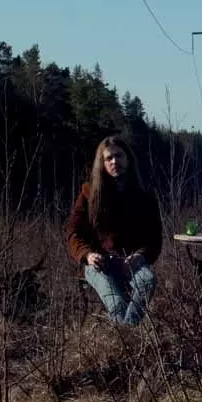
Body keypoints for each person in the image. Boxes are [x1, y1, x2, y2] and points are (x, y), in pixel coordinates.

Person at [66, 135, 162, 325]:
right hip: (99, 263)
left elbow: (155, 239)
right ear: (102, 164)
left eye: (119, 156)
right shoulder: (89, 193)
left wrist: (140, 256)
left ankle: (124, 336)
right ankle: (129, 337)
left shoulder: (145, 196)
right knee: (118, 305)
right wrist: (87, 255)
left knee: (148, 281)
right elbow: (73, 232)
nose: (114, 161)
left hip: (132, 262)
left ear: (128, 159)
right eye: (108, 158)